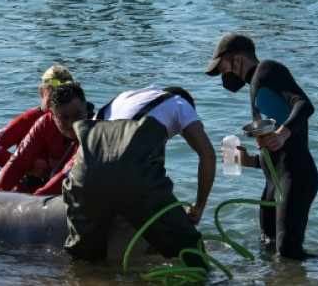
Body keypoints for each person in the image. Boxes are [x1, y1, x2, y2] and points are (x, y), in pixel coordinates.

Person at [63, 86, 214, 270]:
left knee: (84, 257)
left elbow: (102, 161)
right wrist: (198, 208)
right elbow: (207, 155)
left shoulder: (121, 99)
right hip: (128, 174)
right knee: (192, 249)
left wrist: (153, 228)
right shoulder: (180, 103)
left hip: (82, 175)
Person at [204, 33, 318, 260]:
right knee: (267, 247)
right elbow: (276, 150)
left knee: (288, 253)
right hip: (273, 183)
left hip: (295, 178)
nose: (222, 75)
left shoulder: (268, 69)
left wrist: (283, 133)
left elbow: (304, 104)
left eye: (222, 67)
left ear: (238, 60)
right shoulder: (255, 86)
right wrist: (250, 161)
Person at [0, 66, 74, 192]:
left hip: (60, 186)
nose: (57, 105)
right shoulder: (28, 120)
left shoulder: (75, 120)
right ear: (42, 91)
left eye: (63, 99)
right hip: (27, 189)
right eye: (53, 97)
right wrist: (30, 165)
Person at [0, 81, 91, 196]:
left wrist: (32, 202)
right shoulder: (44, 124)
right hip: (47, 185)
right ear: (53, 116)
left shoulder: (95, 131)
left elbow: (67, 176)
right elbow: (17, 163)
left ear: (86, 108)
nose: (71, 124)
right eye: (64, 118)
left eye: (77, 115)